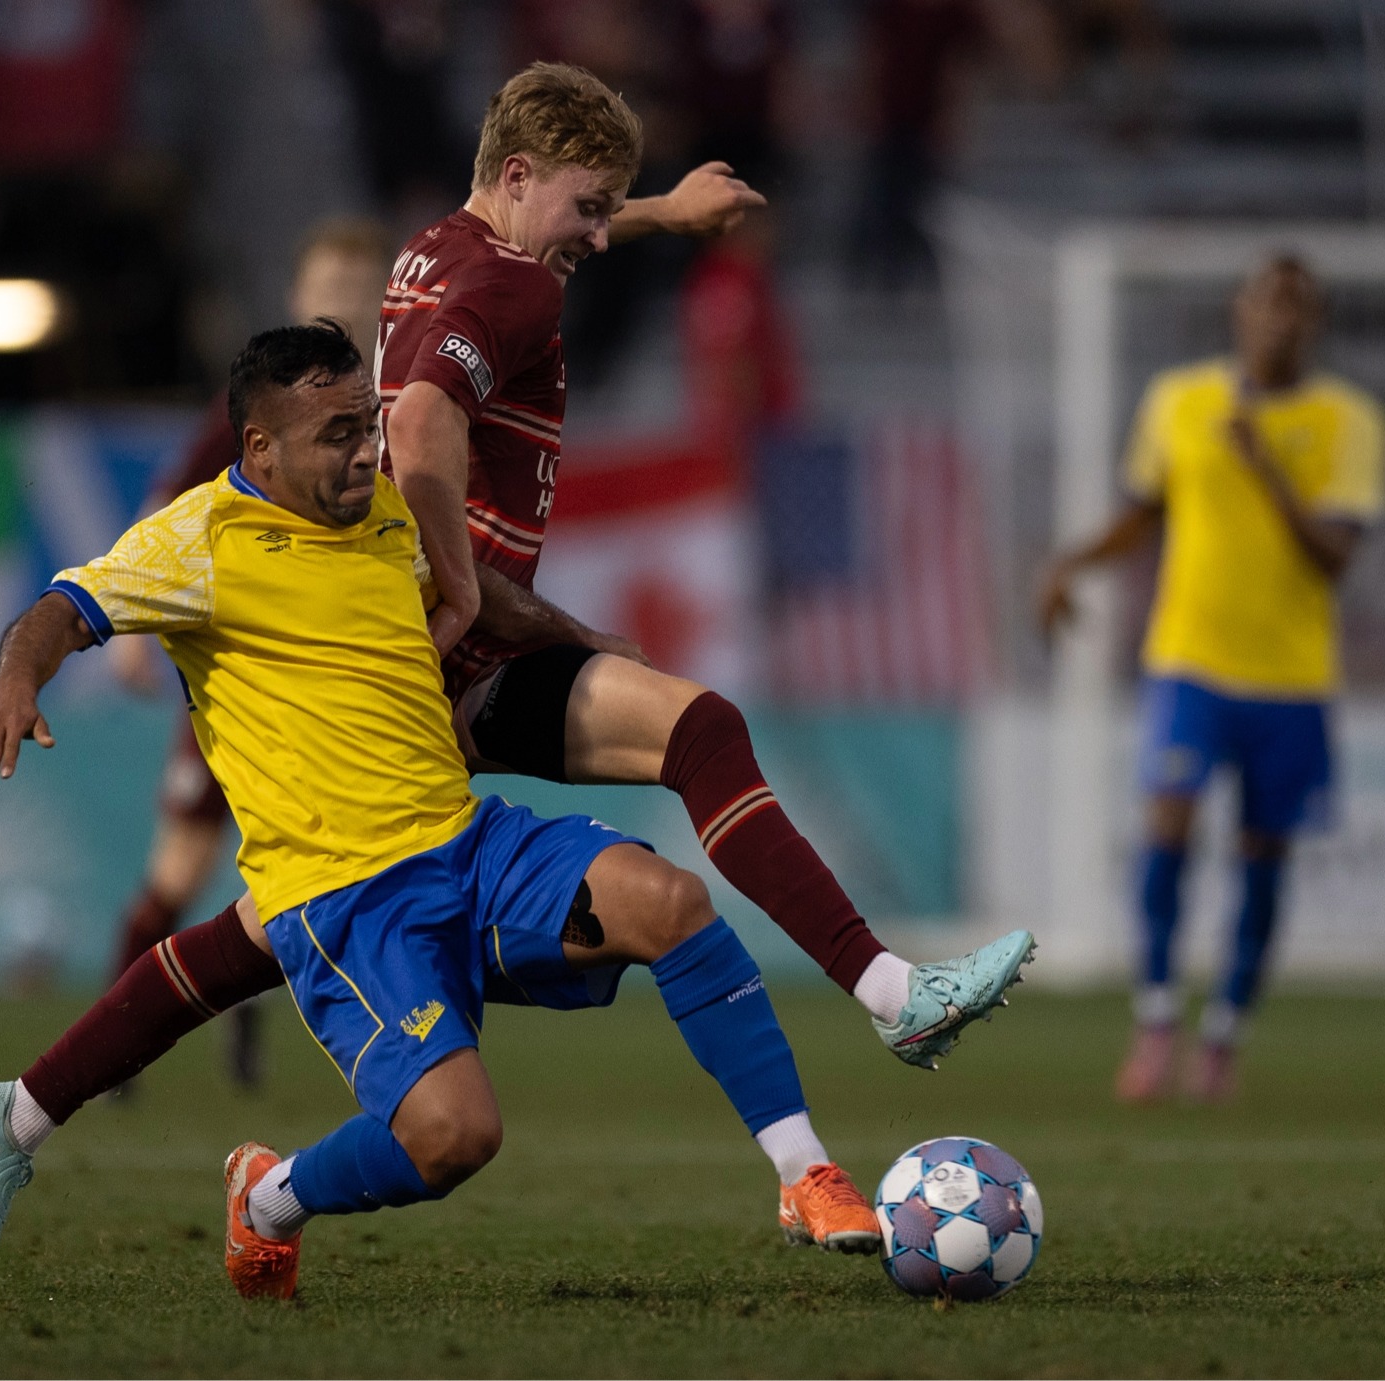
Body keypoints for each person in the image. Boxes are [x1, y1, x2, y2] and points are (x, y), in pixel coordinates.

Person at [0, 322, 881, 1296]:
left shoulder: (384, 511)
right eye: (337, 434)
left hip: (471, 844)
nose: (362, 452)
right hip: (349, 903)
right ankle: (269, 1195)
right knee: (457, 1135)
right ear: (260, 448)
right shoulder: (198, 540)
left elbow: (479, 596)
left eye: (367, 426)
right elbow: (61, 609)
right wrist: (17, 680)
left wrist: (584, 637)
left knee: (671, 899)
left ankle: (804, 1171)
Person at [381, 62, 1032, 1069]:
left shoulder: (434, 250)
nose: (600, 236)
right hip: (448, 653)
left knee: (698, 731)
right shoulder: (512, 282)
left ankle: (891, 990)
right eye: (590, 210)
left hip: (435, 654)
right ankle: (48, 1103)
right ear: (516, 175)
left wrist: (661, 212)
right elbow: (424, 422)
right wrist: (462, 583)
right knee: (287, 939)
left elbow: (533, 248)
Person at [1034, 256, 1385, 1103]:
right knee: (1165, 827)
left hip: (1292, 679)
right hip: (1189, 663)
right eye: (1268, 302)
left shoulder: (1350, 419)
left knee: (1263, 855)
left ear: (1318, 321)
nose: (1280, 320)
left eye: (1298, 307)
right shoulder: (1177, 400)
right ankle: (1157, 1019)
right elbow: (1144, 514)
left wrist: (1264, 463)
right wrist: (1070, 564)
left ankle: (1224, 1033)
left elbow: (1335, 556)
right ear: (1240, 310)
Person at [101, 218, 397, 1091]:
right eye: (325, 287)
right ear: (298, 299)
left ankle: (300, 1021)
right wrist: (136, 628)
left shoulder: (408, 402)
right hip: (245, 683)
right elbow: (171, 510)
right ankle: (120, 1040)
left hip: (348, 692)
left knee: (333, 870)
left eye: (355, 288)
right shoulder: (258, 411)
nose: (340, 303)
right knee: (180, 869)